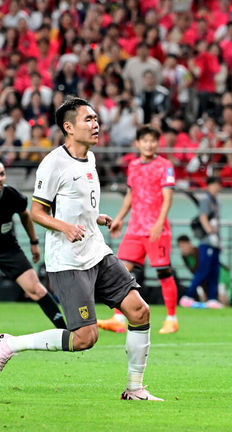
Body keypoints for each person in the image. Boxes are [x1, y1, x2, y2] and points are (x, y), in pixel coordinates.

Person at [0, 97, 162, 401]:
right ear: (69, 127)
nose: (96, 124)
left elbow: (77, 202)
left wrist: (93, 217)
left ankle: (135, 388)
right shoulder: (53, 163)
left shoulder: (90, 158)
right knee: (85, 338)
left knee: (139, 310)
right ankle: (9, 344)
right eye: (88, 120)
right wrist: (66, 227)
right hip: (68, 261)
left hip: (96, 252)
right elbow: (36, 212)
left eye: (96, 119)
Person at [99, 125, 180, 334]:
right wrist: (118, 219)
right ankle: (118, 318)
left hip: (155, 228)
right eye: (145, 140)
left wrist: (160, 222)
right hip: (134, 228)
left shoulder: (165, 165)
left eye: (153, 140)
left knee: (163, 272)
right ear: (138, 143)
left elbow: (168, 196)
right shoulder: (133, 166)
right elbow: (130, 195)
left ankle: (172, 318)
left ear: (157, 143)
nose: (149, 144)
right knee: (120, 272)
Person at [0, 161, 66, 329]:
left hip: (8, 250)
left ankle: (65, 332)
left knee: (35, 288)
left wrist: (34, 242)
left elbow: (25, 215)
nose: (0, 179)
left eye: (2, 174)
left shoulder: (11, 195)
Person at [179, 176, 223, 309]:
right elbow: (203, 217)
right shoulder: (206, 200)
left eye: (218, 185)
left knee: (215, 271)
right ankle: (188, 295)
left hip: (214, 241)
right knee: (203, 270)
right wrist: (210, 233)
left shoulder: (215, 201)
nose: (217, 188)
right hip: (207, 241)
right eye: (214, 185)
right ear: (209, 186)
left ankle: (212, 298)